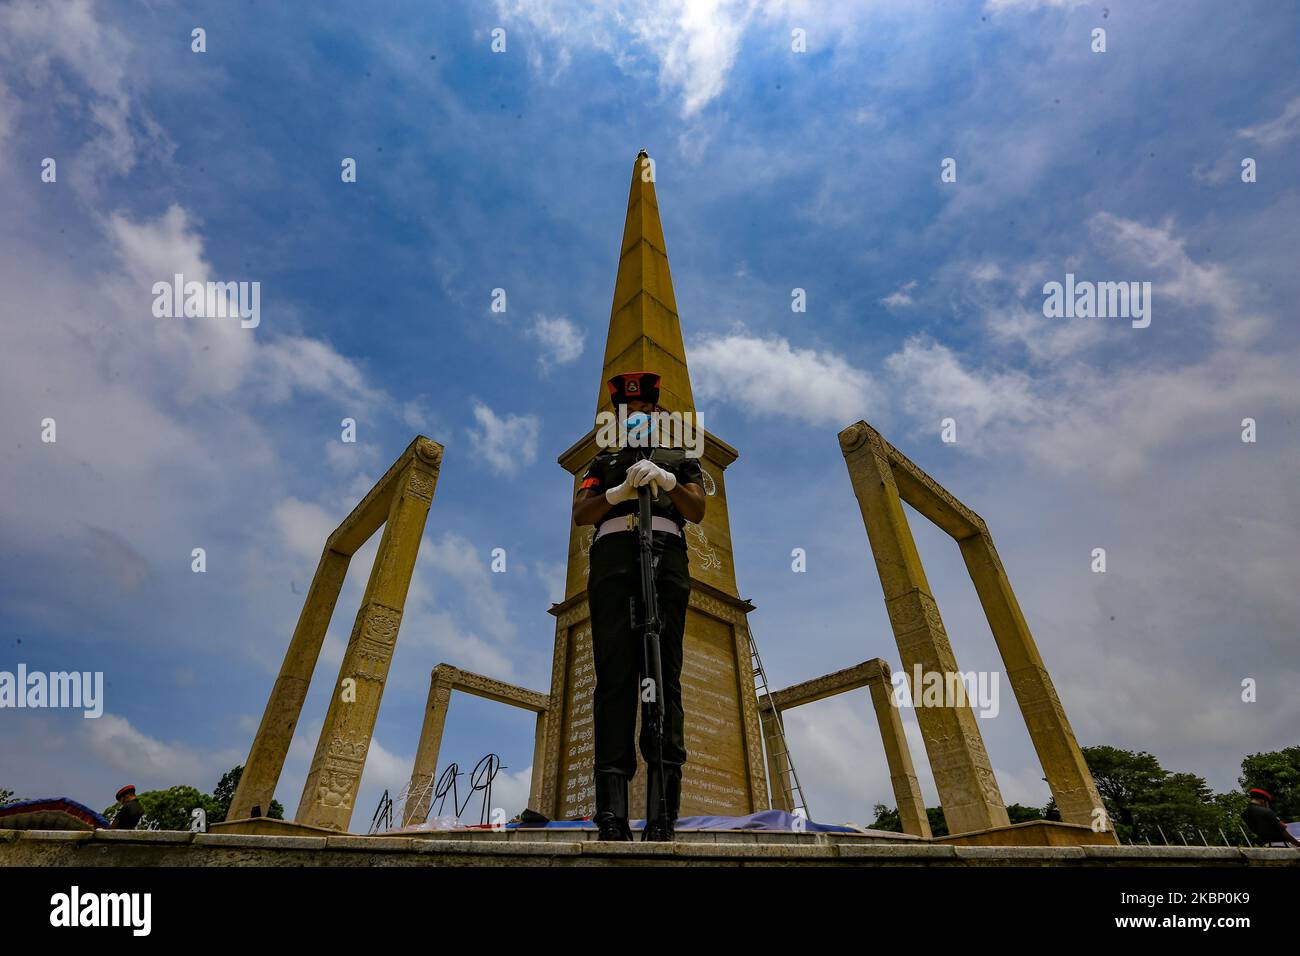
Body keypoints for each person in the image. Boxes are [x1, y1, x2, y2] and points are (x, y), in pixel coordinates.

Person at [572, 371, 706, 841]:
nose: (636, 418)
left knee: (663, 677)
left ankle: (662, 812)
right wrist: (617, 493)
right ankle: (611, 814)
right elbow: (581, 514)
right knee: (615, 681)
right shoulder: (603, 459)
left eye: (644, 411)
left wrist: (667, 480)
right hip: (611, 560)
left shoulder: (679, 457)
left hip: (666, 559)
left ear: (655, 413)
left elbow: (696, 509)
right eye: (627, 413)